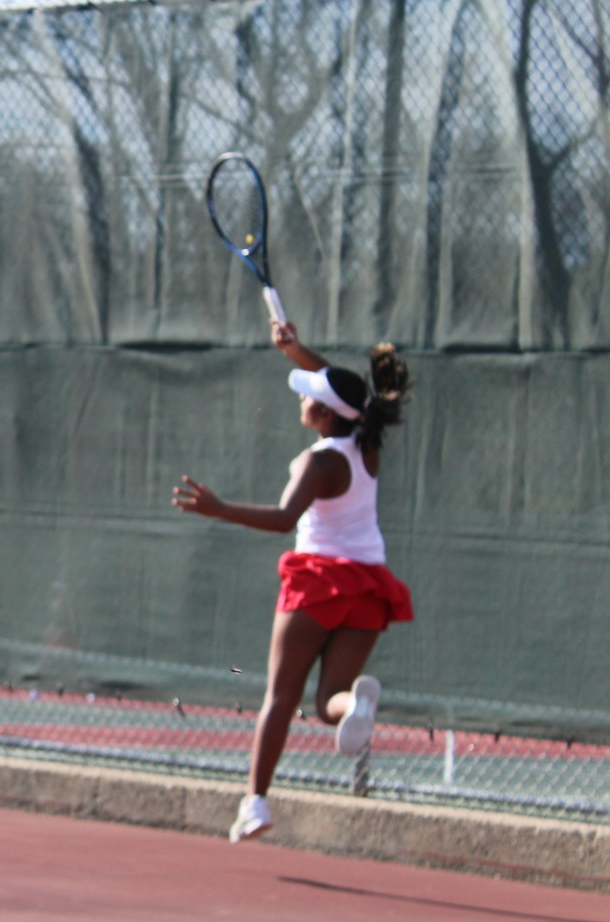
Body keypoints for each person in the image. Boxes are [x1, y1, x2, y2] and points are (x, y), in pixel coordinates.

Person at [172, 319, 413, 844]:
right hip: (369, 588)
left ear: (324, 414)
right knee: (329, 703)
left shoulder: (316, 462)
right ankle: (355, 706)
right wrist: (294, 350)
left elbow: (284, 519)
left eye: (308, 397)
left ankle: (255, 803)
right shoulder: (366, 444)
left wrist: (218, 508)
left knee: (281, 697)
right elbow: (341, 388)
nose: (301, 400)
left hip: (319, 582)